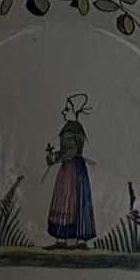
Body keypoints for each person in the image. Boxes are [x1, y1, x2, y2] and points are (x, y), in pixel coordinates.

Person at [43, 97, 95, 245]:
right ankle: (74, 240)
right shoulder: (74, 128)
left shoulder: (71, 129)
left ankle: (65, 239)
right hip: (76, 168)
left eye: (67, 109)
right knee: (74, 201)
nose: (63, 112)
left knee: (68, 199)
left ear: (74, 110)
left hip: (71, 169)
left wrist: (54, 157)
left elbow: (70, 151)